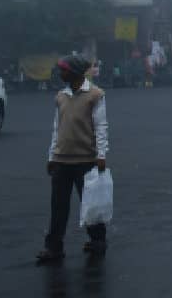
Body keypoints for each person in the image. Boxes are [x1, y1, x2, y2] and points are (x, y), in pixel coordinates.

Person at [36, 55, 109, 264]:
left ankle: (98, 241)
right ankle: (54, 247)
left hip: (86, 159)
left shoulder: (95, 95)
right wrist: (51, 156)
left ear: (75, 72)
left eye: (64, 70)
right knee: (58, 206)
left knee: (90, 204)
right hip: (61, 160)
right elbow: (56, 129)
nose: (61, 74)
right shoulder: (61, 96)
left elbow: (101, 127)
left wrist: (101, 155)